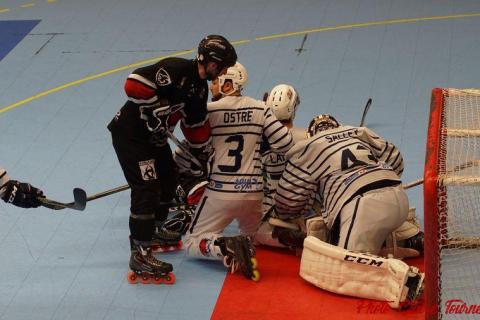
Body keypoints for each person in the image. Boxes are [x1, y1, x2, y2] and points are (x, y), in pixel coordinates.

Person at [107, 35, 237, 284]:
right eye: (220, 66)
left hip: (154, 142)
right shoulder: (175, 70)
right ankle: (141, 252)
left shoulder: (199, 91)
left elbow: (195, 127)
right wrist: (153, 106)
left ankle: (154, 229)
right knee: (146, 188)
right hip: (130, 137)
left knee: (169, 178)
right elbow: (133, 84)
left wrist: (202, 152)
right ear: (207, 60)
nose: (221, 72)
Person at [273, 114, 424, 308]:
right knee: (368, 232)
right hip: (398, 198)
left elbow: (287, 203)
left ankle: (402, 282)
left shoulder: (307, 148)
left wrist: (313, 201)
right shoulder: (359, 133)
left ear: (311, 134)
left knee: (341, 268)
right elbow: (396, 161)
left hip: (362, 206)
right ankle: (410, 239)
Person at [182, 62, 294, 280]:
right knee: (252, 234)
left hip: (221, 193)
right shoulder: (262, 108)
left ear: (228, 83)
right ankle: (289, 238)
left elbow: (192, 145)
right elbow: (285, 143)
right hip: (253, 192)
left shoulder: (208, 111)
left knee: (191, 241)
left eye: (215, 81)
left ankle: (223, 247)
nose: (212, 86)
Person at [255, 84, 307, 248]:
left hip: (269, 214)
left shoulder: (258, 140)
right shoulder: (308, 136)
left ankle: (289, 238)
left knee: (253, 233)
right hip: (302, 209)